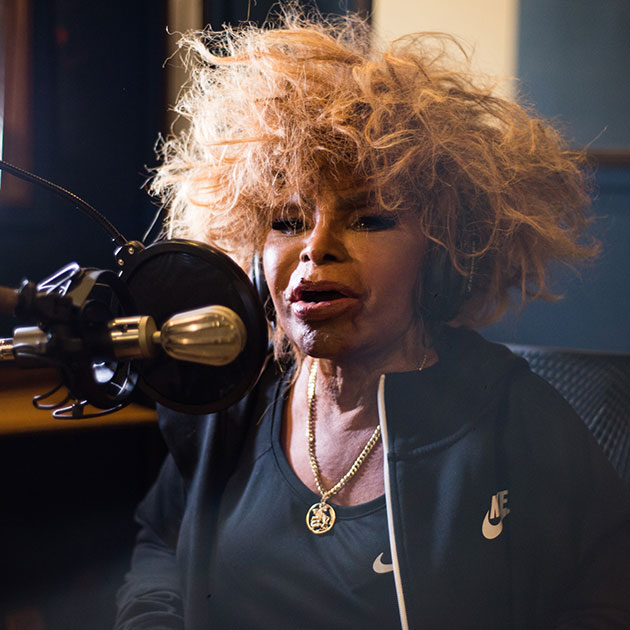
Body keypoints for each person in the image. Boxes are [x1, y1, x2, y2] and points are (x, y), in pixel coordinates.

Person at [114, 10, 630, 630]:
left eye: (368, 219)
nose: (316, 247)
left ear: (440, 254)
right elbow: (161, 544)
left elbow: (603, 605)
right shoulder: (235, 397)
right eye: (287, 221)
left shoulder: (516, 419)